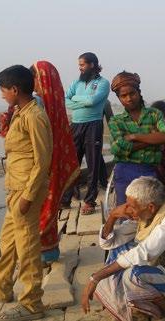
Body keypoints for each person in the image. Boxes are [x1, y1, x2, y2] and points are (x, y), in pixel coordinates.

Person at [0, 65, 52, 321]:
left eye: (3, 90)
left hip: (26, 190)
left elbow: (43, 160)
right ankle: (1, 288)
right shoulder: (20, 112)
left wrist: (28, 197)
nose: (2, 95)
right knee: (8, 242)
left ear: (15, 89)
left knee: (27, 246)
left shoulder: (35, 116)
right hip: (15, 189)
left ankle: (32, 304)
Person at [80, 177, 165, 321]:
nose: (127, 210)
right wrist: (113, 215)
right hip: (163, 274)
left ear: (150, 207)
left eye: (131, 207)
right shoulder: (147, 210)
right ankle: (139, 308)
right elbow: (109, 243)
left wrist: (97, 277)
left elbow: (146, 251)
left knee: (134, 274)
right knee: (119, 250)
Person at [30, 61, 80, 264]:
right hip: (54, 164)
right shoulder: (56, 105)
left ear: (41, 79)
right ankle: (49, 252)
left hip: (42, 166)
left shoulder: (37, 105)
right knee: (49, 207)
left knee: (39, 208)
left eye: (33, 78)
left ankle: (38, 252)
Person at [108, 71, 165, 206]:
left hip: (149, 170)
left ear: (138, 92)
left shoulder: (155, 114)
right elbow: (118, 149)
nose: (129, 98)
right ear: (119, 98)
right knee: (126, 214)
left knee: (149, 213)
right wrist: (152, 139)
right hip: (124, 171)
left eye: (132, 93)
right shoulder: (116, 121)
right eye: (123, 96)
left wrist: (135, 137)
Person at [62, 52, 110, 215]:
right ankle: (66, 199)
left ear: (92, 64)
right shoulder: (76, 83)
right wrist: (82, 101)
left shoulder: (103, 83)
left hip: (93, 126)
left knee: (93, 164)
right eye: (79, 65)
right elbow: (65, 100)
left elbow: (93, 101)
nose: (80, 68)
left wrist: (76, 100)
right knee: (72, 163)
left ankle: (90, 201)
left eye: (82, 65)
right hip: (75, 125)